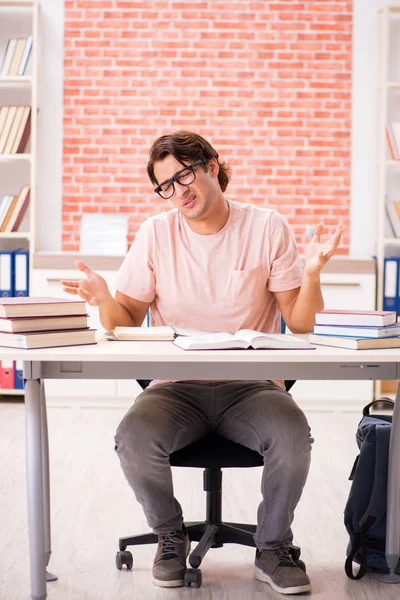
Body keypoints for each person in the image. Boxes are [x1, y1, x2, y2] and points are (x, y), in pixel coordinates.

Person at [61, 131, 342, 595]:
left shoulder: (268, 227)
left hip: (251, 388)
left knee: (293, 437)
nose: (178, 191)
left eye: (184, 175)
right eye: (165, 185)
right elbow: (126, 319)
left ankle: (272, 547)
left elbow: (301, 320)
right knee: (133, 437)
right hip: (176, 388)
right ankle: (171, 535)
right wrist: (104, 298)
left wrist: (310, 274)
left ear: (212, 166)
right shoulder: (156, 233)